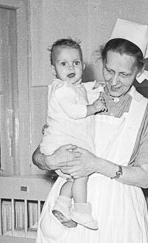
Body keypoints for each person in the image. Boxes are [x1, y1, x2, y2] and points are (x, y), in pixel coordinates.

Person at [30, 18, 148, 243]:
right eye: (109, 70)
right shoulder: (77, 93)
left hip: (119, 209)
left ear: (139, 72)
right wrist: (51, 160)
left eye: (125, 74)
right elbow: (39, 154)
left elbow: (143, 178)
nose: (115, 81)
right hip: (70, 206)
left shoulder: (147, 111)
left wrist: (94, 163)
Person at [39, 38, 108, 230]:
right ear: (54, 69)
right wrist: (94, 107)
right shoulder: (62, 90)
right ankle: (81, 210)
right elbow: (75, 111)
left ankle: (62, 203)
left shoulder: (76, 88)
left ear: (83, 66)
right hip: (60, 146)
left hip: (62, 145)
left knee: (73, 178)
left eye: (76, 63)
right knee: (81, 174)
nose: (71, 67)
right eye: (63, 63)